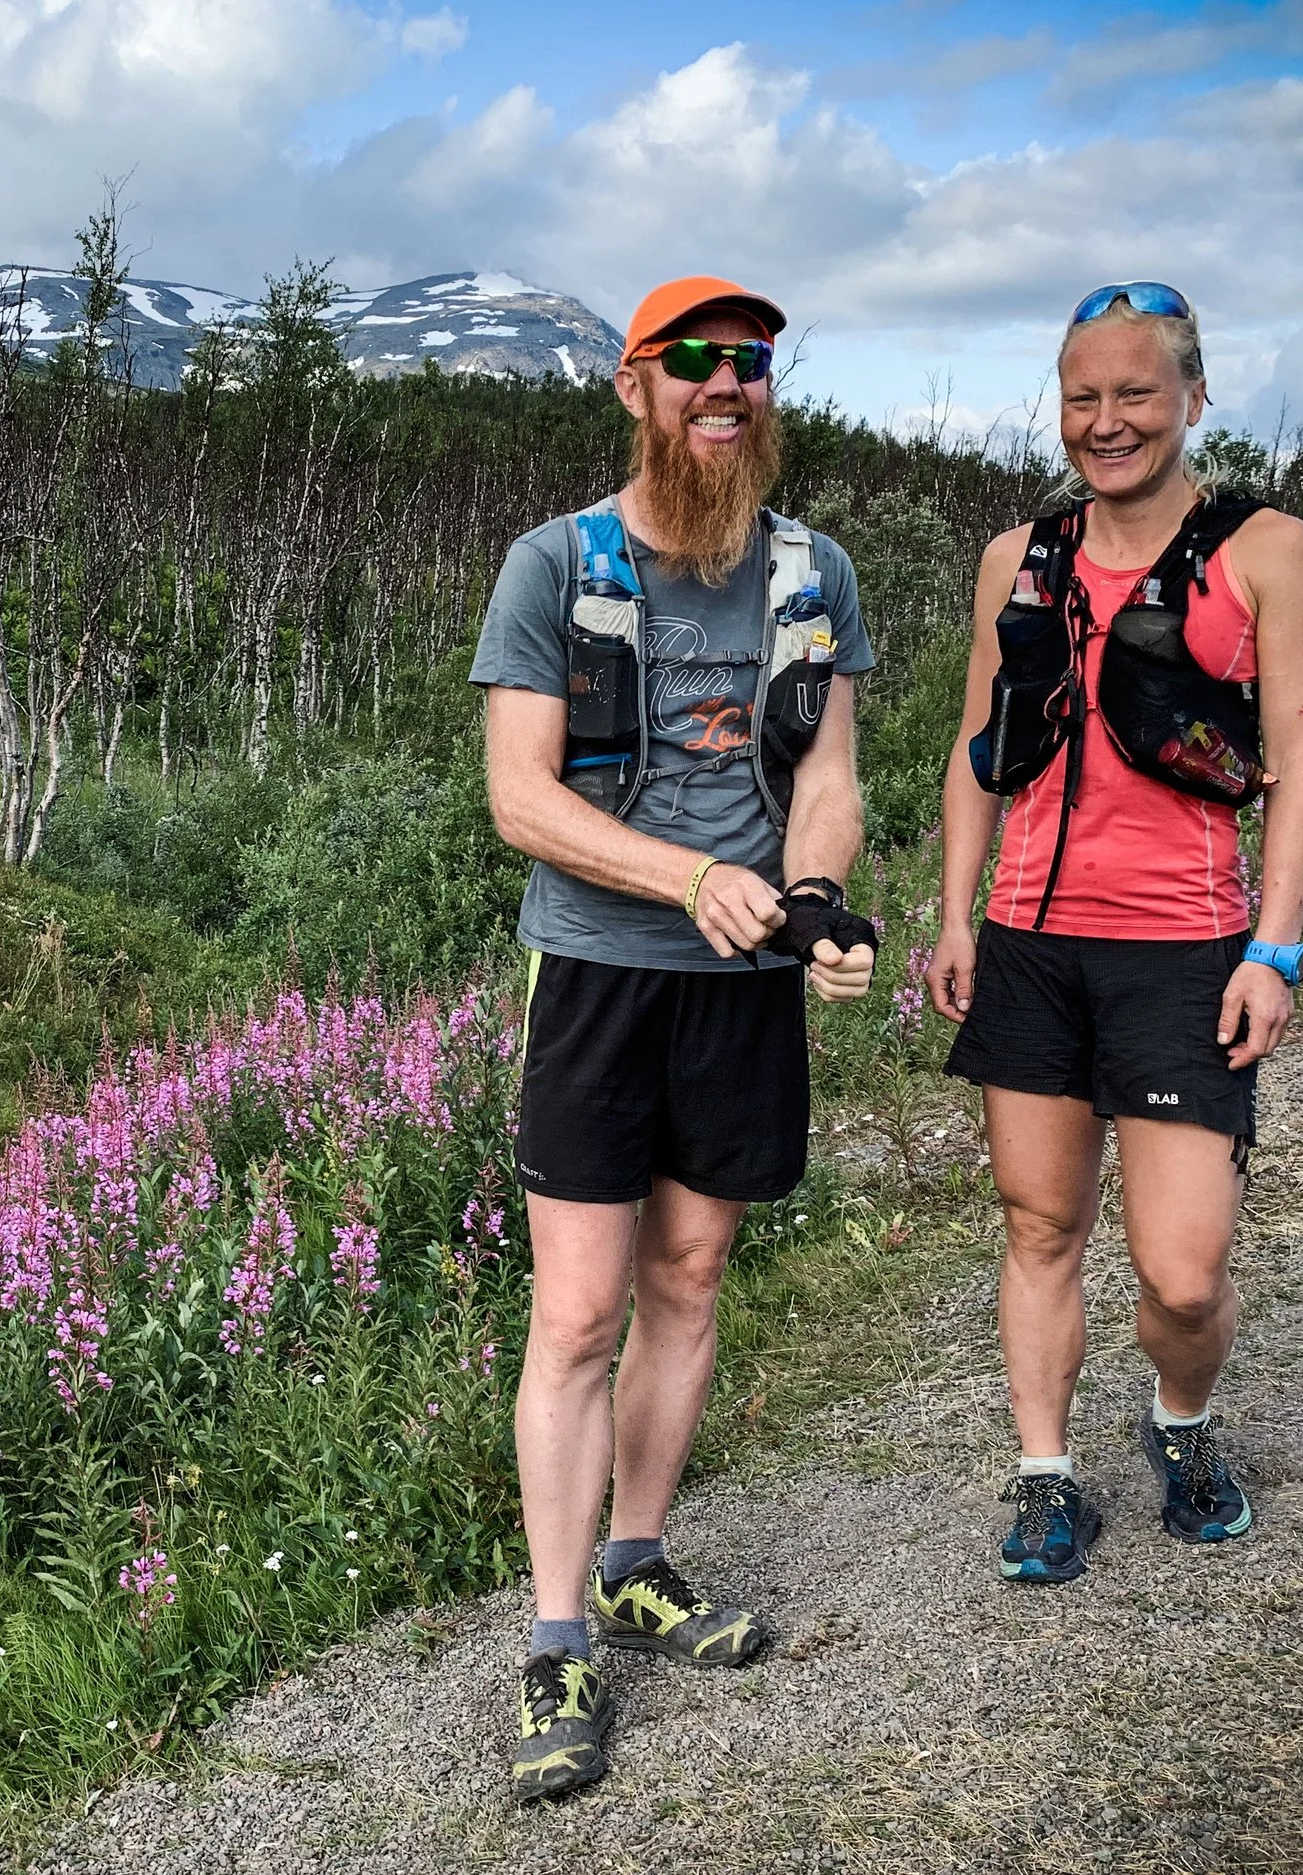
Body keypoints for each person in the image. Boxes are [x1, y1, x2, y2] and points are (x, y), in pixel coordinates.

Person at [472, 274, 879, 1801]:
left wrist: (815, 895)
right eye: (696, 361)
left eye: (753, 361)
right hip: (595, 972)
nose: (730, 382)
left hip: (741, 980)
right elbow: (520, 796)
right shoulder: (552, 561)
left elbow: (828, 767)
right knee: (578, 1311)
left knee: (690, 1273)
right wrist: (694, 878)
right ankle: (557, 1637)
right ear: (636, 388)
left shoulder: (813, 568)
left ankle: (638, 1560)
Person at [925, 281, 1303, 1586]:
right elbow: (977, 749)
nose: (1107, 422)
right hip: (1033, 941)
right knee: (1040, 1223)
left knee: (1184, 1270)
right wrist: (956, 916)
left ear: (1193, 397)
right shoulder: (1019, 559)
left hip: (1186, 947)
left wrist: (1274, 948)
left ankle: (1181, 1424)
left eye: (1135, 394)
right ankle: (1047, 1478)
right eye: (1083, 397)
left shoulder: (1267, 548)